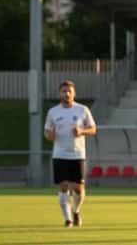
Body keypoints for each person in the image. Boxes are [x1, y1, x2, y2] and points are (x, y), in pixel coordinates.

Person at [44, 80, 97, 228]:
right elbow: (47, 131)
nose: (66, 93)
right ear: (59, 93)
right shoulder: (53, 112)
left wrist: (81, 131)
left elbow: (93, 129)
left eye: (69, 91)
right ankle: (67, 219)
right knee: (63, 186)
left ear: (74, 93)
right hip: (59, 154)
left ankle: (76, 211)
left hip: (77, 154)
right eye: (64, 91)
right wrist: (50, 135)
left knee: (78, 188)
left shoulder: (82, 110)